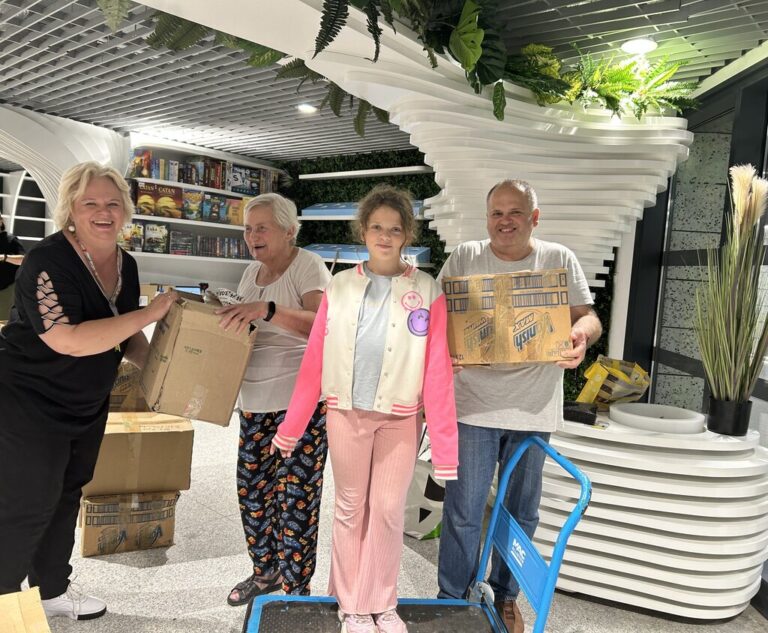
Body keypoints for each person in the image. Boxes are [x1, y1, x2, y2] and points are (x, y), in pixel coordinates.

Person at [272, 184, 459, 633]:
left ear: (407, 234)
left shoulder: (426, 289)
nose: (385, 236)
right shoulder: (339, 286)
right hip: (346, 413)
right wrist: (292, 427)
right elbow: (315, 359)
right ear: (363, 231)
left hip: (401, 417)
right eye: (377, 227)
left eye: (394, 229)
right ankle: (352, 604)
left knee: (388, 511)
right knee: (351, 507)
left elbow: (437, 367)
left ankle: (381, 603)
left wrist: (445, 448)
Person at [0, 161, 177, 620]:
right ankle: (5, 607)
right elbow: (67, 339)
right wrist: (150, 314)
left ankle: (52, 591)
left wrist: (165, 374)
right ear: (71, 209)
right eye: (91, 203)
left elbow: (126, 336)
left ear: (126, 210)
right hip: (28, 402)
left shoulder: (125, 263)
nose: (104, 212)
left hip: (86, 403)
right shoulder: (46, 262)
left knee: (66, 495)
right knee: (27, 502)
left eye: (113, 203)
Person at [436, 179, 602, 633]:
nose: (504, 221)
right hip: (473, 404)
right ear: (487, 217)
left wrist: (582, 336)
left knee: (522, 511)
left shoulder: (558, 258)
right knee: (464, 510)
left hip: (533, 406)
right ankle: (452, 600)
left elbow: (588, 316)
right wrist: (440, 350)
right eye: (497, 212)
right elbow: (435, 314)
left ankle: (505, 596)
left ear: (534, 217)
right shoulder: (465, 257)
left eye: (515, 212)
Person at [215, 193, 332, 605]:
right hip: (254, 402)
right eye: (248, 229)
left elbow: (323, 325)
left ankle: (296, 593)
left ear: (289, 230)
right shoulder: (251, 272)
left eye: (261, 228)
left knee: (296, 501)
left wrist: (267, 309)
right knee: (253, 494)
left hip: (300, 405)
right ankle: (265, 573)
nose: (252, 236)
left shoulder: (308, 265)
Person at [0, 216, 26, 320]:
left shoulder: (11, 239)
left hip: (7, 289)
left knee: (4, 321)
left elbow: (23, 259)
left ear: (1, 221)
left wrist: (4, 257)